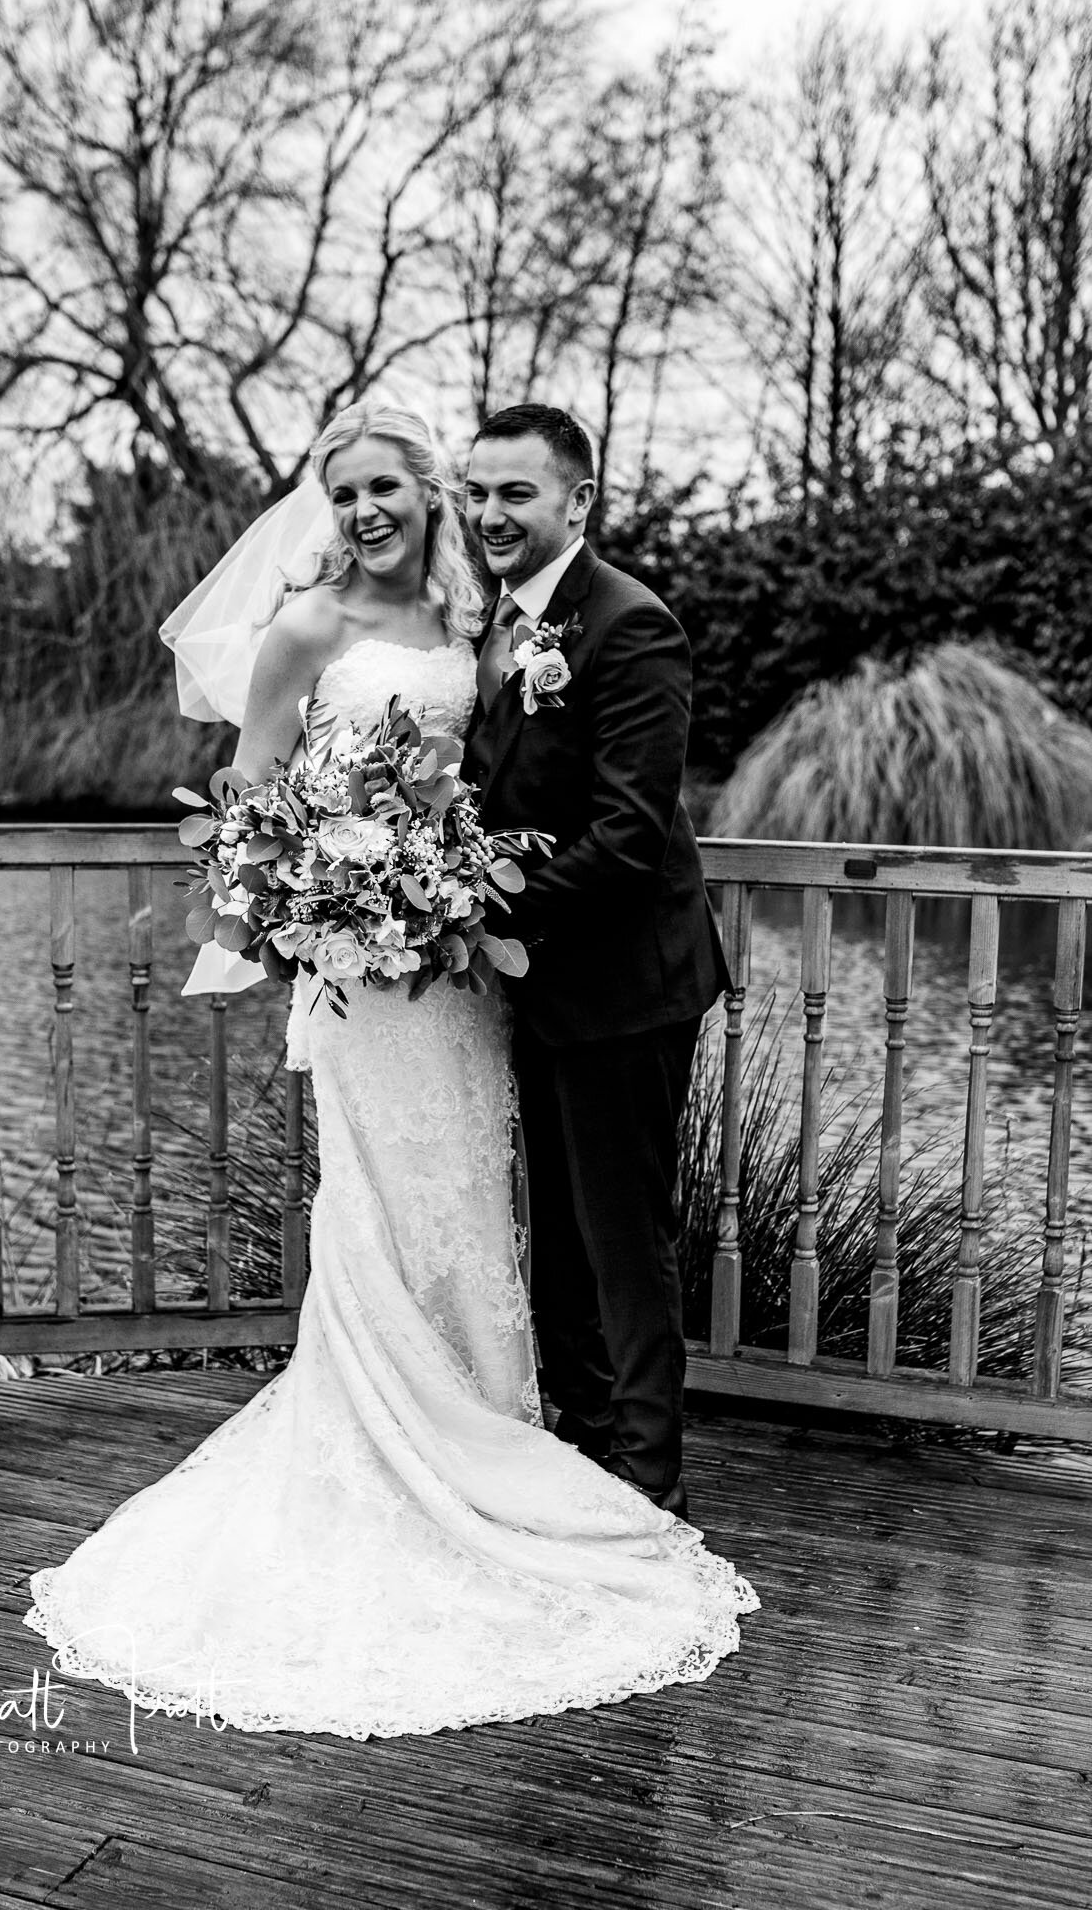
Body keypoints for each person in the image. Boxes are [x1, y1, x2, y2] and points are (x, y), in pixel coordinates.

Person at [23, 400, 755, 1739]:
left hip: (505, 974)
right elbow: (251, 803)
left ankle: (603, 1479)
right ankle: (453, 1447)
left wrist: (461, 895)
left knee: (547, 1225)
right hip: (393, 974)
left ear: (554, 502)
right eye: (343, 488)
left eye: (398, 488)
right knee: (402, 1213)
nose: (374, 509)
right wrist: (313, 896)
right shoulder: (323, 625)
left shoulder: (523, 622)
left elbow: (602, 821)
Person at [462, 403, 731, 1522]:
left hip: (623, 981)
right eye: (476, 492)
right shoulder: (498, 623)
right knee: (562, 1235)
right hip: (542, 982)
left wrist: (482, 909)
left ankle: (647, 1485)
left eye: (515, 493)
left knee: (625, 1240)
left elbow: (628, 837)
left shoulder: (629, 624)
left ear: (577, 501)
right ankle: (580, 1445)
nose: (488, 514)